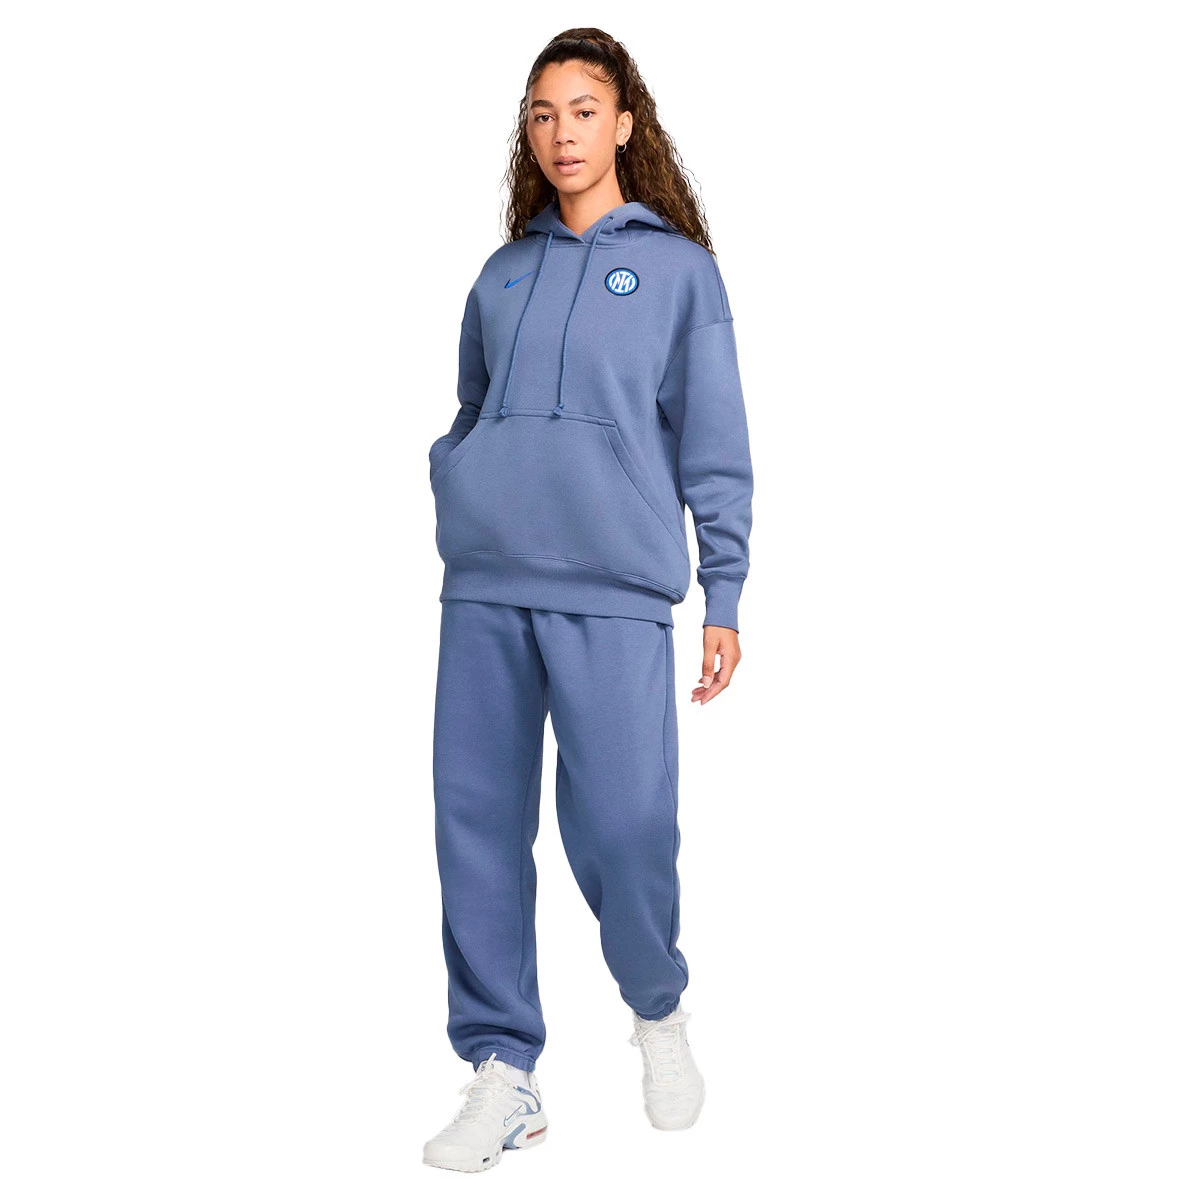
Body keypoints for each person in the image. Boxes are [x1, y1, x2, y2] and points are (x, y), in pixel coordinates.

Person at [422, 28, 754, 1173]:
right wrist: (461, 475)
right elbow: (471, 408)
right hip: (485, 587)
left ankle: (657, 1009)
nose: (561, 133)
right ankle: (502, 1070)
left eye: (582, 109)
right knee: (475, 827)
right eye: (542, 113)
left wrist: (725, 591)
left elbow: (715, 444)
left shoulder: (680, 274)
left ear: (624, 124)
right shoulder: (501, 273)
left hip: (615, 589)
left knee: (625, 825)